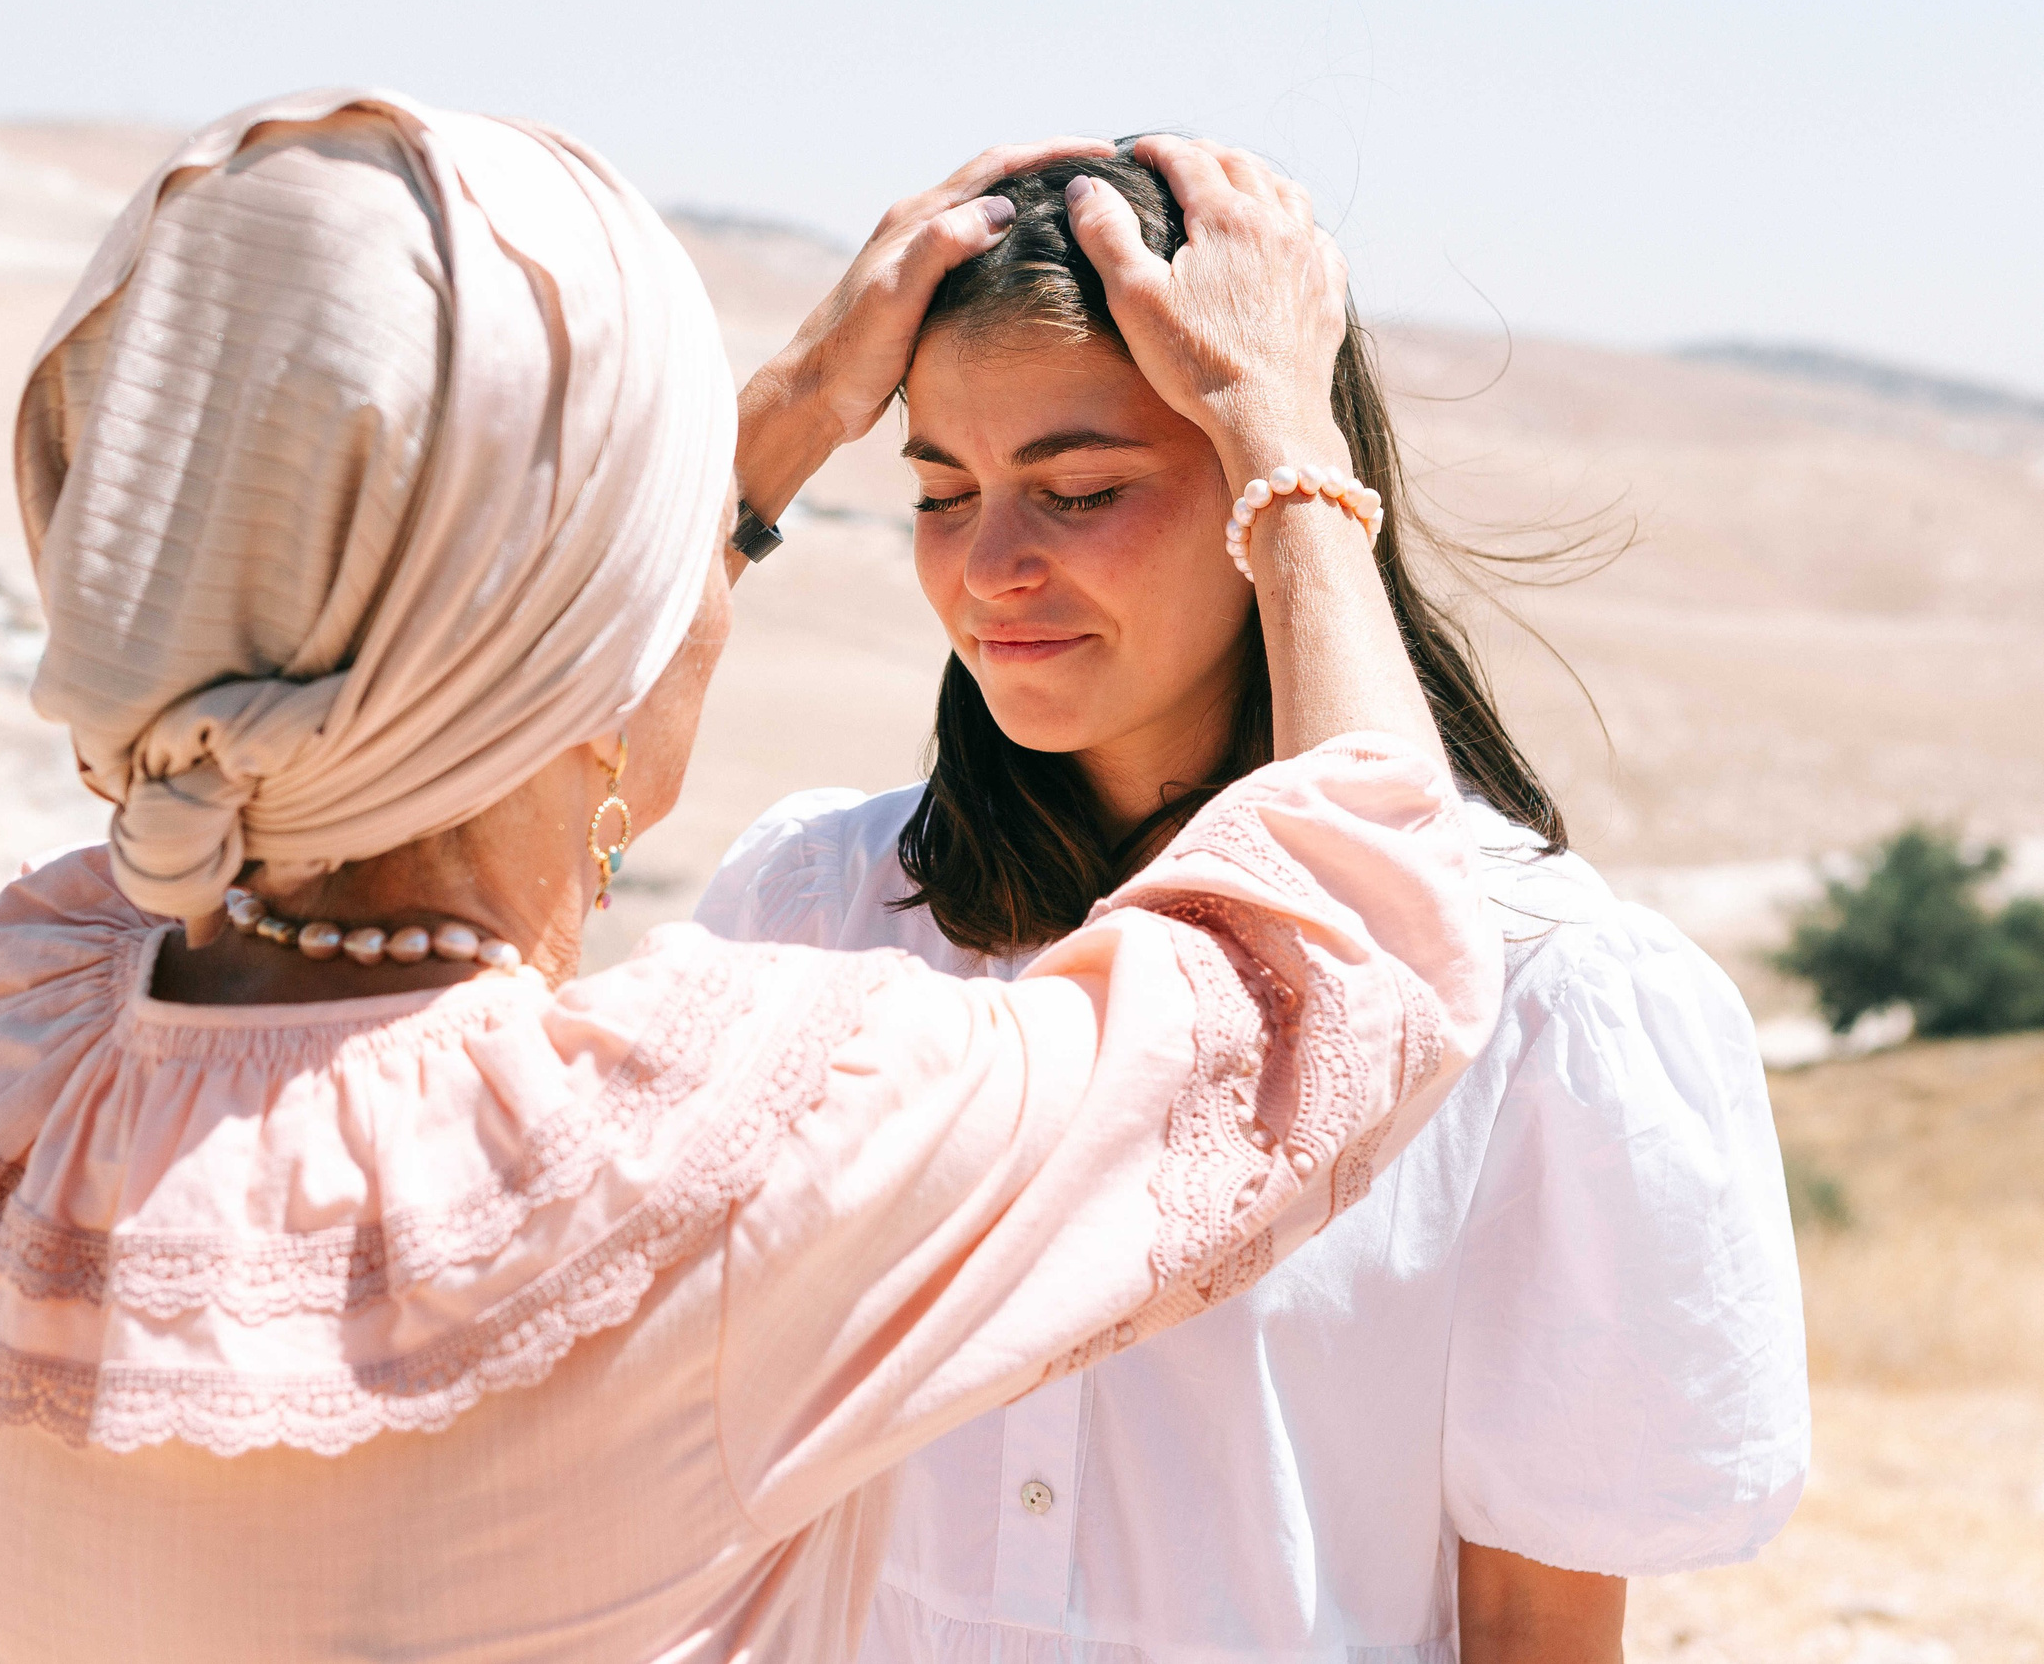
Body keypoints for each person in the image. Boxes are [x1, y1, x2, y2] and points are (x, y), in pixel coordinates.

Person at [0, 91, 1502, 1663]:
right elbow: (1353, 955)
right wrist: (1289, 437)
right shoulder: (706, 1156)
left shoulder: (20, 1038)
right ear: (566, 658)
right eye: (681, 537)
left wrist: (774, 412)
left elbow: (335, 765)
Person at [703, 142, 1810, 1663]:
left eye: (1079, 488)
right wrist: (782, 423)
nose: (991, 568)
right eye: (941, 491)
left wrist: (1284, 424)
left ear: (1268, 489)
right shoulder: (816, 908)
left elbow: (1538, 1633)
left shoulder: (1545, 997)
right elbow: (455, 834)